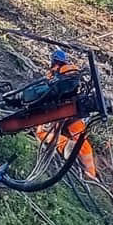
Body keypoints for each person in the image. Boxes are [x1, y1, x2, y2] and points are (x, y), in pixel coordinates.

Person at [34, 48, 98, 179]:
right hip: (74, 113)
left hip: (58, 112)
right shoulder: (73, 71)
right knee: (83, 143)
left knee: (42, 133)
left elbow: (47, 93)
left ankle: (65, 145)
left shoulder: (55, 73)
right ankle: (91, 174)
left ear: (54, 61)